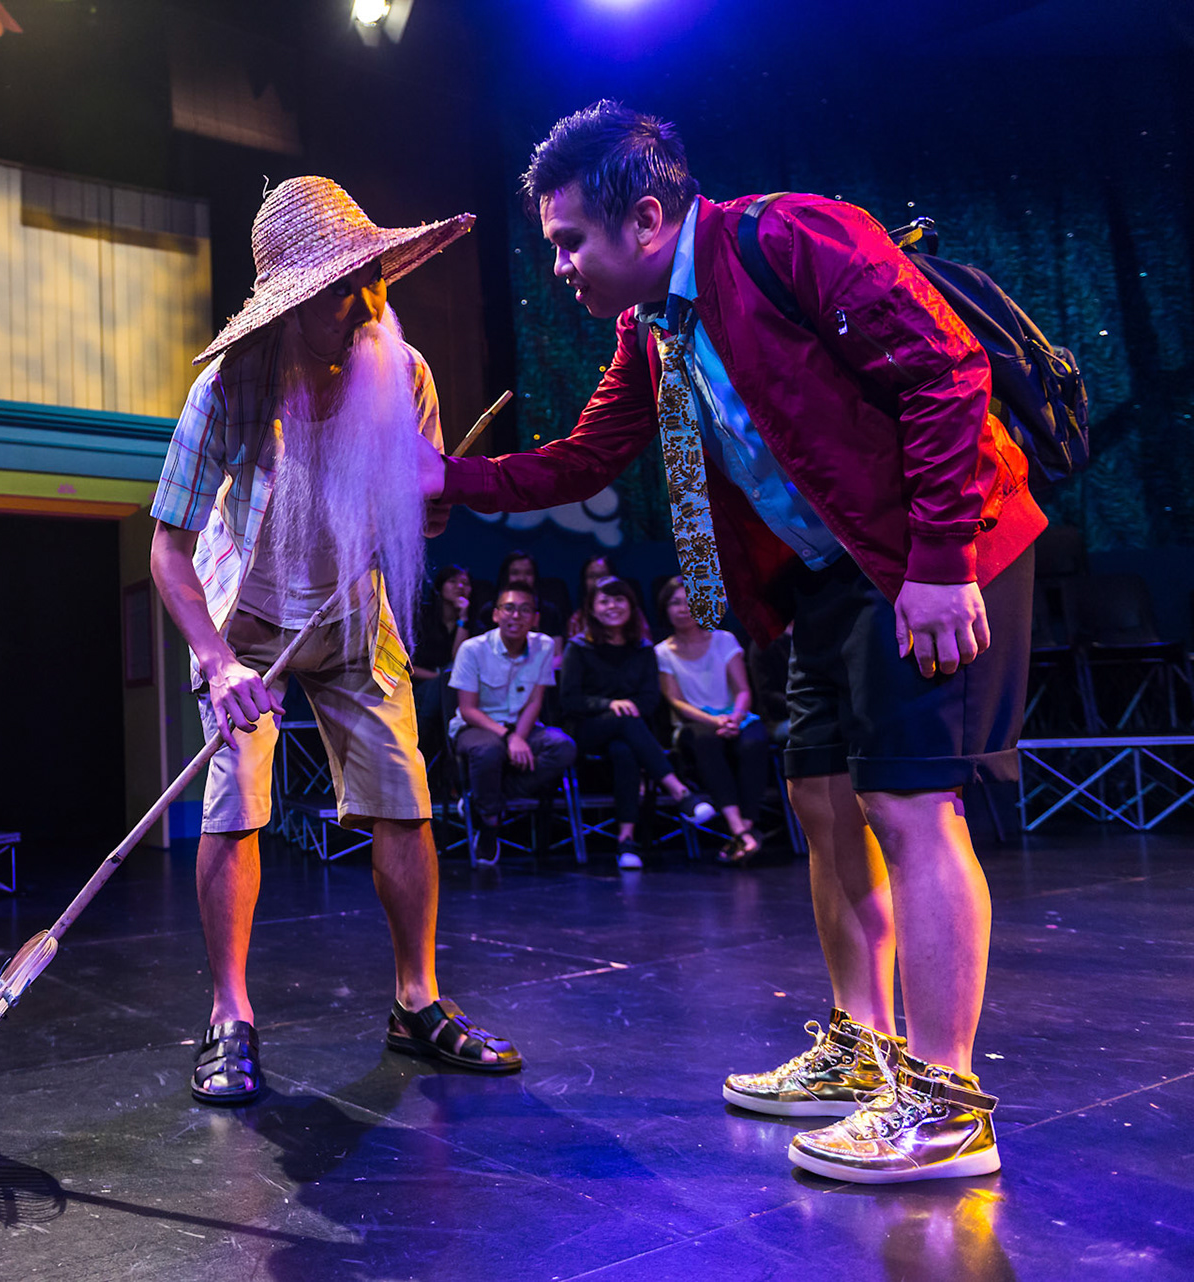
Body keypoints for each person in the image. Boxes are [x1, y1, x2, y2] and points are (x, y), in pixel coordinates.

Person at [418, 100, 1041, 1183]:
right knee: (823, 800)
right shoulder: (650, 332)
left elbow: (946, 373)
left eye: (568, 240)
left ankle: (945, 1106)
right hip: (824, 578)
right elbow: (582, 460)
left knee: (910, 805)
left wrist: (941, 562)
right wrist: (444, 480)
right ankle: (863, 1047)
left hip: (933, 553)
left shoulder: (791, 236)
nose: (558, 266)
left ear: (645, 218)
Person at [149, 175, 522, 1107]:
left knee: (405, 800)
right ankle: (229, 1015)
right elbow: (168, 548)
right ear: (288, 304)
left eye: (371, 279)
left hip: (354, 612)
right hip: (250, 620)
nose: (365, 304)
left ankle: (416, 1002)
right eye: (338, 289)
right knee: (234, 807)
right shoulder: (229, 387)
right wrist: (216, 662)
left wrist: (429, 502)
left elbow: (417, 504)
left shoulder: (404, 372)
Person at [560, 577, 715, 869]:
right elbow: (569, 700)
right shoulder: (579, 648)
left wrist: (625, 709)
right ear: (591, 609)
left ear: (632, 606)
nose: (612, 606)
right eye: (604, 601)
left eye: (619, 600)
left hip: (631, 734)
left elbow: (649, 700)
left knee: (625, 750)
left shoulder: (643, 649)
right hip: (587, 729)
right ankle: (680, 792)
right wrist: (608, 705)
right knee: (625, 721)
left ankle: (626, 841)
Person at [447, 582, 575, 866]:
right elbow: (468, 710)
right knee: (488, 750)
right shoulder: (473, 649)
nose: (516, 615)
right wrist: (509, 738)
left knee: (563, 746)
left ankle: (483, 801)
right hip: (477, 727)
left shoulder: (543, 646)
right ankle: (490, 825)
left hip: (522, 726)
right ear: (496, 614)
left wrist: (519, 736)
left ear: (535, 618)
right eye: (509, 608)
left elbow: (535, 701)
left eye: (525, 610)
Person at [655, 576, 771, 863]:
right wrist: (714, 722)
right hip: (694, 723)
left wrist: (734, 717)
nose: (683, 608)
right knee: (705, 741)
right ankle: (738, 828)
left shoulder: (724, 640)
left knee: (754, 741)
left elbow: (743, 690)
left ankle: (747, 825)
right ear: (665, 609)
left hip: (734, 716)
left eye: (689, 602)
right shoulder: (662, 652)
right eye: (675, 603)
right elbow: (676, 701)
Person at [409, 563, 473, 757]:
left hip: (456, 690)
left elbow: (459, 660)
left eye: (465, 583)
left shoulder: (473, 625)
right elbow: (406, 665)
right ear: (439, 587)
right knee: (438, 688)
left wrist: (463, 620)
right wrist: (440, 679)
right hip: (420, 684)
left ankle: (418, 746)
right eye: (453, 581)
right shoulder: (421, 618)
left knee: (446, 683)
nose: (460, 587)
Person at [565, 555, 617, 639]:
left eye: (603, 575)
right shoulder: (577, 620)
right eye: (592, 576)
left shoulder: (627, 613)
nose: (598, 581)